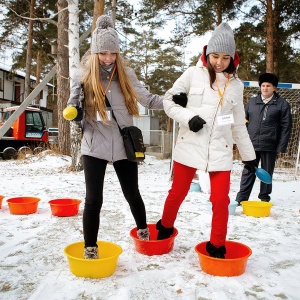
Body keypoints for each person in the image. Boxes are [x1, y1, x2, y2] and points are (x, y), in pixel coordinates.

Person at [65, 15, 163, 259]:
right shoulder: (83, 76)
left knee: (132, 193)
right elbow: (71, 106)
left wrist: (174, 102)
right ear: (95, 52)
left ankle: (143, 231)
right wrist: (75, 113)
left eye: (112, 53)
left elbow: (148, 99)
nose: (108, 58)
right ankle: (90, 247)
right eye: (103, 53)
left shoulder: (126, 74)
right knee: (93, 200)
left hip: (123, 143)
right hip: (94, 143)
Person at [155, 23, 256, 259]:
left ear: (232, 58)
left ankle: (217, 245)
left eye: (224, 57)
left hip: (220, 149)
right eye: (214, 56)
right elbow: (168, 101)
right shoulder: (192, 74)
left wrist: (249, 157)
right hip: (191, 144)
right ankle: (165, 226)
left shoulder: (236, 86)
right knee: (177, 192)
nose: (219, 62)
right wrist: (189, 117)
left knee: (220, 200)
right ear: (206, 54)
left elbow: (239, 125)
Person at [236, 73, 292, 204]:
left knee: (266, 173)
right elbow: (244, 122)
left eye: (268, 86)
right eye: (263, 85)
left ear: (274, 88)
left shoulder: (282, 104)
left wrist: (281, 146)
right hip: (251, 144)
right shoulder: (252, 102)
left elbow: (286, 126)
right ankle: (241, 198)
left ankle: (264, 198)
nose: (265, 88)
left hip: (270, 144)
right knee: (248, 172)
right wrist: (242, 141)